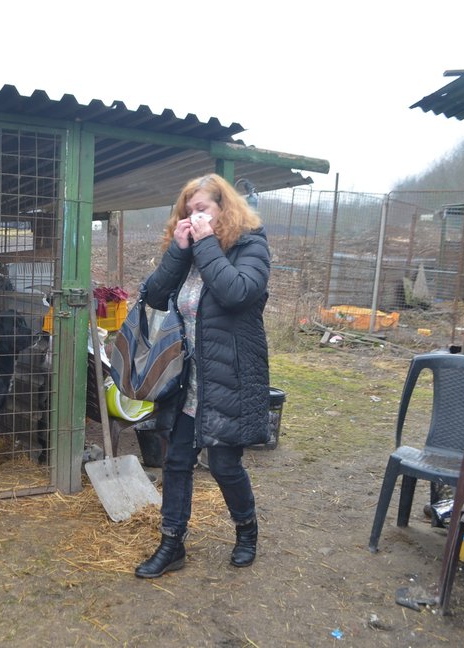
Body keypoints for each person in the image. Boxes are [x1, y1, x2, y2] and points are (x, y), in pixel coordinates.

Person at [134, 173, 271, 578]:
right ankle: (172, 544)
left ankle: (247, 531)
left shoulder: (251, 246)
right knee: (176, 462)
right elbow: (154, 295)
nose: (192, 218)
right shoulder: (190, 252)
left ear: (223, 209)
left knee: (226, 464)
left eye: (201, 210)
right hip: (187, 379)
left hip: (228, 378)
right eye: (187, 212)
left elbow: (237, 293)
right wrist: (178, 251)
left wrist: (207, 243)